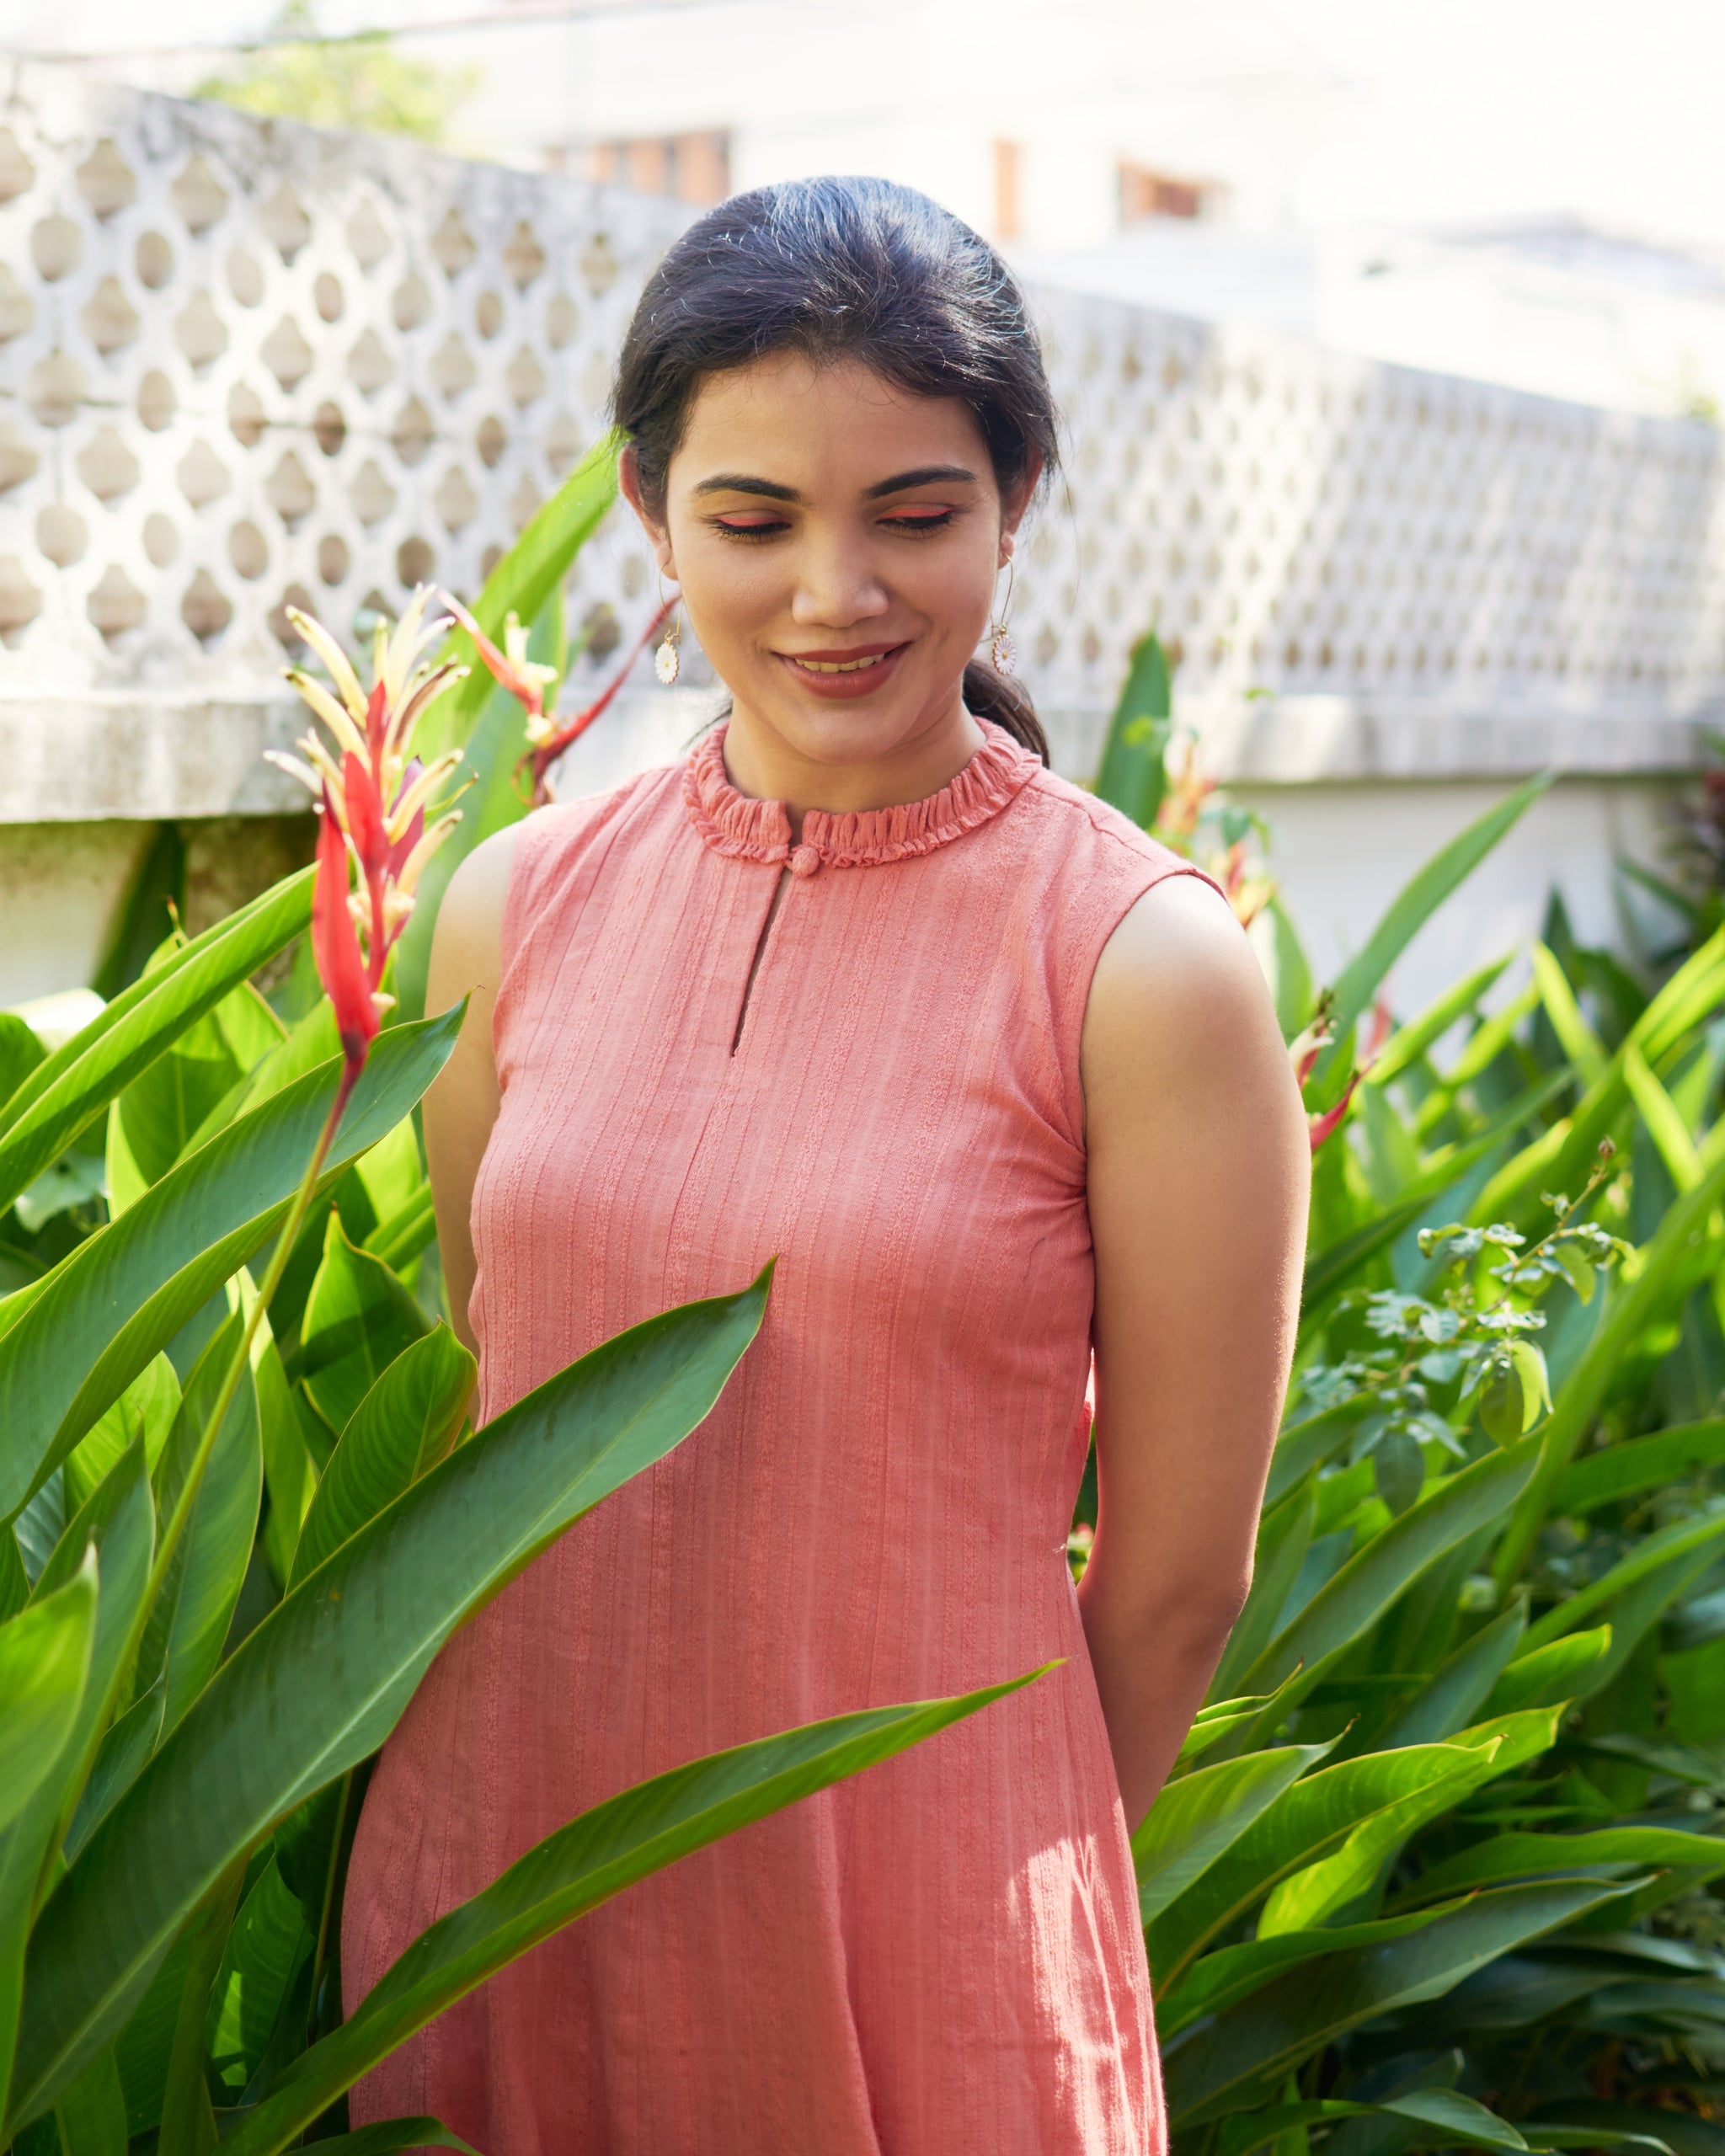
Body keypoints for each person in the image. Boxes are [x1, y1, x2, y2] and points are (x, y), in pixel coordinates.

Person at [343, 174, 1308, 2154]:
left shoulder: (1141, 961)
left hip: (920, 1919)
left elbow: (1181, 1575)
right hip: (503, 1882)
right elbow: (498, 1363)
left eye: (916, 514)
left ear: (1016, 496)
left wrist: (975, 1885)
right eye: (754, 519)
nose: (831, 593)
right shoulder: (512, 905)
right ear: (647, 508)